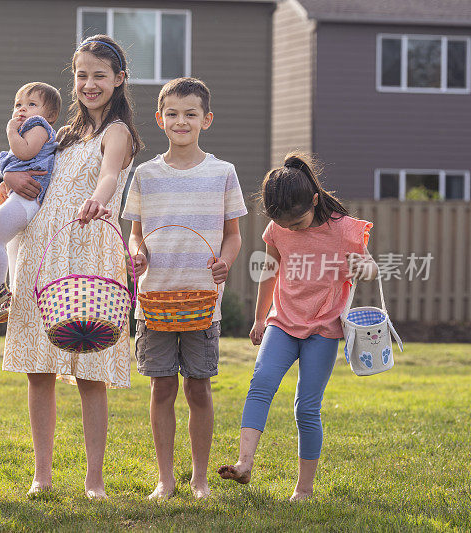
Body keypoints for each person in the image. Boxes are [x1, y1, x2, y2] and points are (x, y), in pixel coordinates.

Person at [1, 35, 142, 499]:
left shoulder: (116, 131)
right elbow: (33, 176)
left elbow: (108, 175)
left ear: (119, 79)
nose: (89, 84)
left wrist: (97, 202)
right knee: (38, 369)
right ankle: (42, 474)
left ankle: (94, 478)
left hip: (87, 251)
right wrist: (12, 183)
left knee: (88, 370)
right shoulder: (60, 135)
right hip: (41, 251)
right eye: (82, 75)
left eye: (100, 76)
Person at [218, 153, 378, 501]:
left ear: (315, 201)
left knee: (306, 407)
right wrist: (260, 318)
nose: (292, 229)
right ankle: (244, 464)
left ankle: (303, 489)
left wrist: (361, 267)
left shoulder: (344, 229)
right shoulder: (278, 227)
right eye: (285, 224)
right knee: (260, 383)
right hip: (283, 321)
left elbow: (372, 270)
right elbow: (268, 272)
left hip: (324, 328)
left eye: (298, 222)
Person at [122, 77, 247, 500]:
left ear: (206, 119)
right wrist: (136, 254)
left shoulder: (222, 173)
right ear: (160, 120)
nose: (181, 121)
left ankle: (199, 478)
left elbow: (233, 237)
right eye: (172, 114)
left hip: (200, 301)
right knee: (161, 387)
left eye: (190, 114)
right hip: (154, 298)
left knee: (198, 386)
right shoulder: (146, 174)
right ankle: (165, 478)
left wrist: (225, 263)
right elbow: (136, 234)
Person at [0, 82, 62, 323]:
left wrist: (10, 132)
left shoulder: (38, 127)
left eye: (31, 104)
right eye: (18, 104)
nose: (22, 109)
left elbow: (24, 153)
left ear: (49, 115)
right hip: (22, 198)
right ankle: (2, 293)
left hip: (29, 201)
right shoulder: (30, 127)